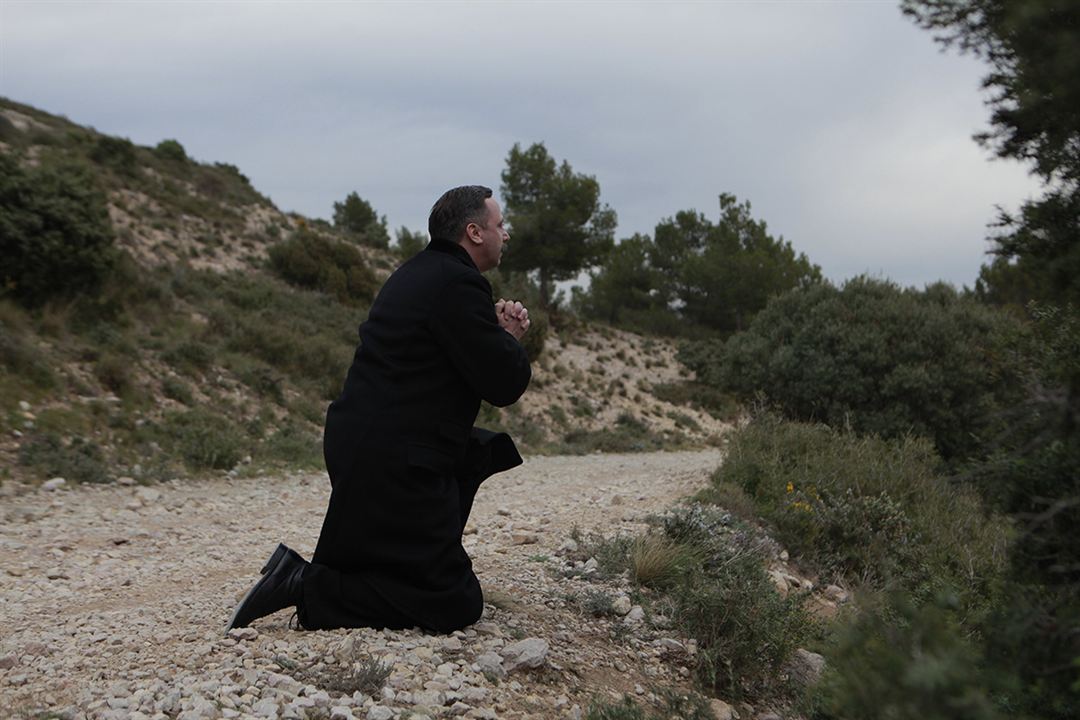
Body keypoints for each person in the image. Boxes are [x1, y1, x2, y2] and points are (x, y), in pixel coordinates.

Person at [226, 185, 532, 634]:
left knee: (461, 474)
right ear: (474, 232)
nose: (507, 235)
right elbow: (503, 384)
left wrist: (494, 335)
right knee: (455, 603)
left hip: (367, 446)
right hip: (396, 462)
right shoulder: (459, 284)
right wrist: (508, 339)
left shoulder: (417, 272)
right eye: (500, 226)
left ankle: (314, 579)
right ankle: (306, 585)